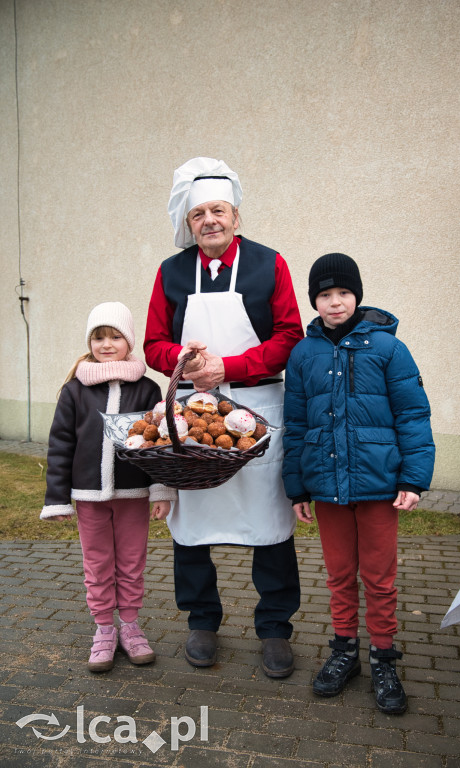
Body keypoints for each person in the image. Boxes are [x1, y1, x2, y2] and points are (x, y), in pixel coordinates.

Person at [144, 156, 304, 678]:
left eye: (219, 210)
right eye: (198, 215)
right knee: (192, 521)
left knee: (269, 521)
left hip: (259, 409)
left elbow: (288, 338)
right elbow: (153, 344)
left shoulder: (269, 264)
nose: (209, 221)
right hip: (194, 414)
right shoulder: (170, 272)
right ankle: (201, 620)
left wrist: (229, 366)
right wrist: (185, 363)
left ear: (235, 215)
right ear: (188, 224)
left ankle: (275, 627)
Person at [282, 253, 435, 713]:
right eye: (325, 295)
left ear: (357, 296)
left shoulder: (390, 349)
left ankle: (384, 656)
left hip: (378, 485)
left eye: (343, 293)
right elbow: (294, 424)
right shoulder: (303, 353)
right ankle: (344, 651)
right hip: (325, 485)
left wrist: (414, 477)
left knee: (379, 576)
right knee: (339, 575)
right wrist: (297, 486)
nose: (335, 302)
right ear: (315, 301)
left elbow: (412, 415)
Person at [41, 302, 175, 672]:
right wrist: (57, 499)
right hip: (89, 497)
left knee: (131, 564)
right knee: (98, 565)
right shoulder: (74, 390)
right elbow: (61, 444)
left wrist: (162, 489)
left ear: (129, 341)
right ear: (90, 342)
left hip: (134, 493)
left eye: (115, 336)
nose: (106, 343)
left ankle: (130, 627)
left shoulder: (147, 388)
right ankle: (104, 630)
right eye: (98, 337)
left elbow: (160, 443)